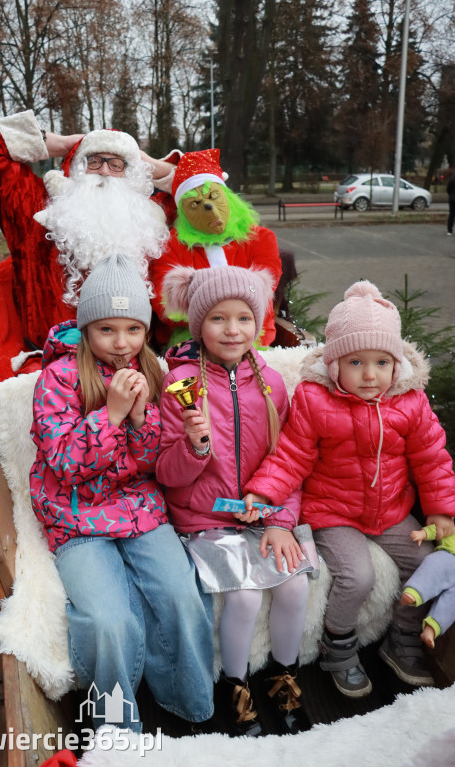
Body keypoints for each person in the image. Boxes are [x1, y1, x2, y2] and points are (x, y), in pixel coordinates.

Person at [29, 253, 214, 732]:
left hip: (139, 509)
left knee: (181, 596)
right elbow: (66, 465)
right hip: (76, 517)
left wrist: (138, 422)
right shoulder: (57, 377)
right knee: (110, 621)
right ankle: (114, 729)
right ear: (86, 328)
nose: (120, 343)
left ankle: (189, 705)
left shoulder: (150, 370)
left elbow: (150, 463)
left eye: (133, 329)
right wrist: (110, 415)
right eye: (106, 330)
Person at [244, 280, 455, 698]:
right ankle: (338, 646)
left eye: (381, 362)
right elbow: (292, 456)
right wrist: (265, 493)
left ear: (397, 364)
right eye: (356, 361)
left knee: (427, 561)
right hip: (333, 512)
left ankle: (403, 636)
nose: (370, 374)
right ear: (334, 363)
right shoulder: (315, 400)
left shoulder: (410, 402)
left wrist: (440, 511)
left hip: (392, 510)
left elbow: (432, 459)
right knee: (356, 577)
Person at [0, 110, 175, 467]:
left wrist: (145, 159)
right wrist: (67, 142)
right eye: (94, 161)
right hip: (54, 368)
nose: (105, 172)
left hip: (131, 360)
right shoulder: (37, 212)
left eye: (117, 164)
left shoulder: (150, 218)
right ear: (75, 168)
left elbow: (201, 181)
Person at [156, 265, 311, 737]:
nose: (232, 329)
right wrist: (194, 446)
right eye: (218, 319)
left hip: (266, 513)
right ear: (198, 323)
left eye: (243, 318)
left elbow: (292, 459)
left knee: (295, 586)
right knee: (242, 598)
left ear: (257, 323)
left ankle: (283, 678)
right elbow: (165, 474)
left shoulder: (273, 384)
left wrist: (280, 518)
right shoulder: (179, 386)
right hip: (205, 518)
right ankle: (235, 685)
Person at [149, 149, 282, 351]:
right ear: (183, 213)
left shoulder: (260, 238)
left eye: (213, 196)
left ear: (227, 196)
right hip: (192, 343)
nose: (208, 207)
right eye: (195, 203)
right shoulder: (170, 246)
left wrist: (203, 305)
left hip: (253, 340)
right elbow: (165, 305)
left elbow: (262, 289)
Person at [401, 518, 455, 649]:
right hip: (448, 556)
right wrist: (423, 534)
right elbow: (438, 529)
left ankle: (431, 630)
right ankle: (413, 592)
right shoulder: (451, 524)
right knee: (433, 564)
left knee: (451, 603)